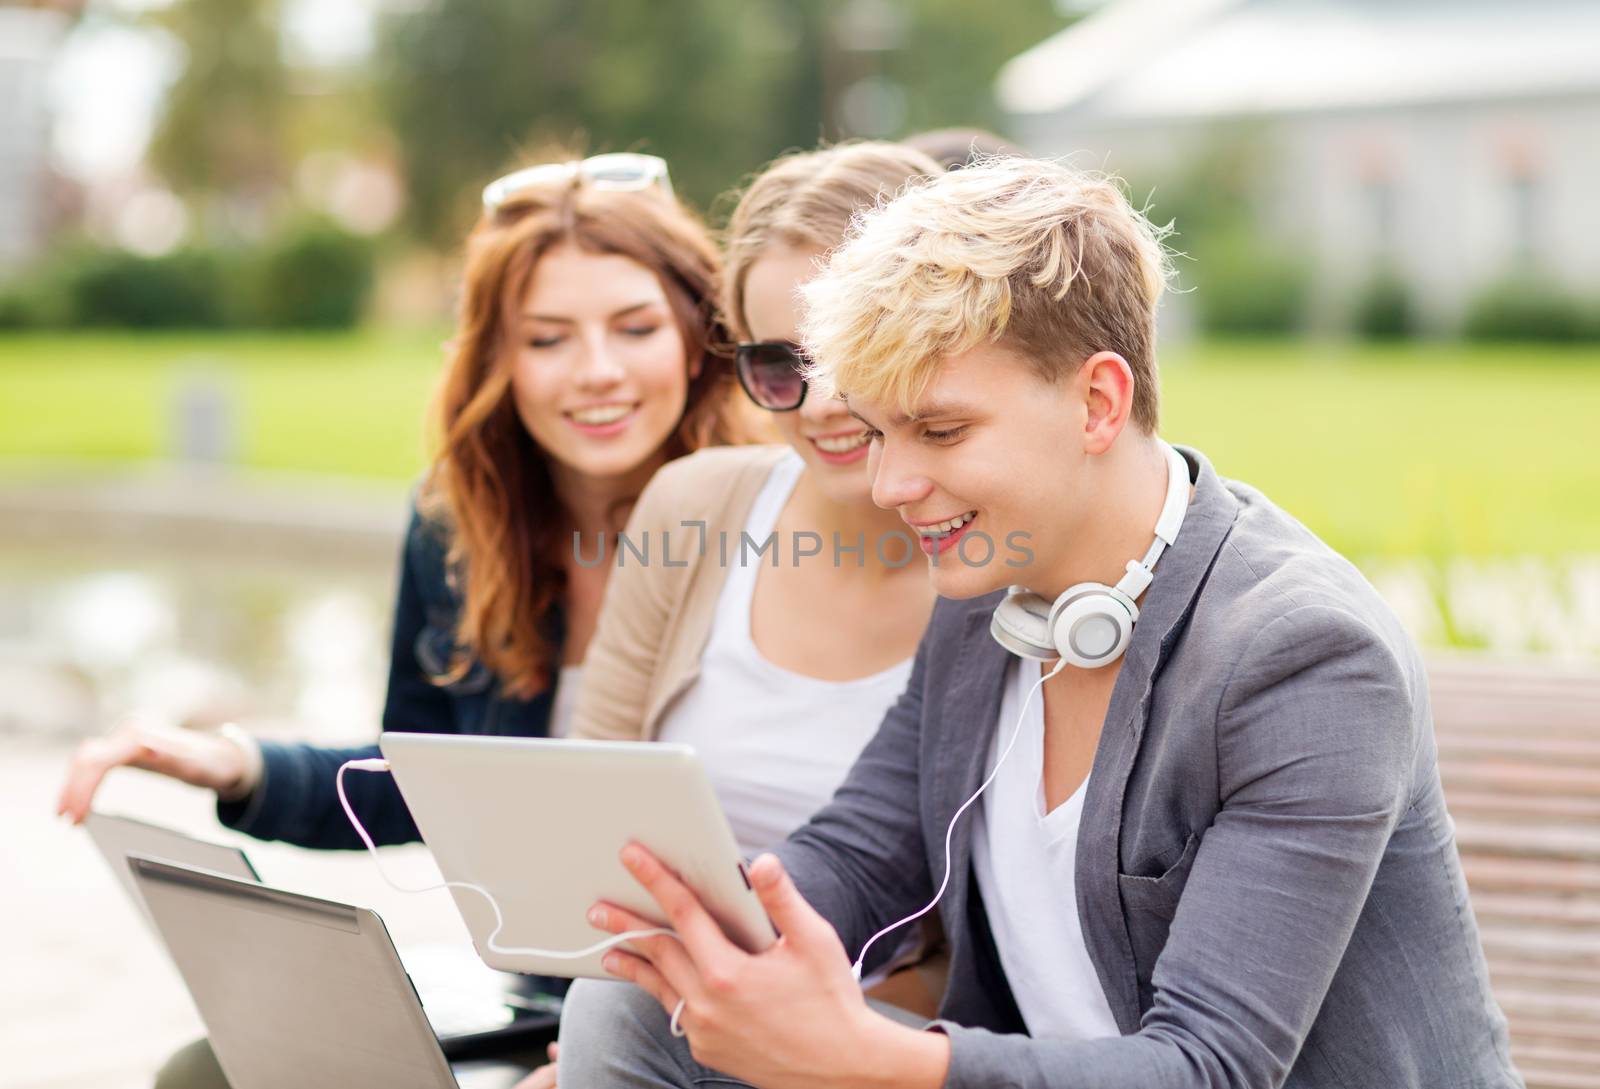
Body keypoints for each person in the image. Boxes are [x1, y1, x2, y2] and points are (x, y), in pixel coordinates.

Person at [557, 156, 1524, 1088]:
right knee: (631, 1007)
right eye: (881, 431)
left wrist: (867, 1056)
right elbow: (859, 855)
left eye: (939, 431)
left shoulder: (1303, 656)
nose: (892, 484)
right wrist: (700, 928)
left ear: (1097, 402)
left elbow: (1212, 1067)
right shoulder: (989, 591)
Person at [54, 152, 753, 1085]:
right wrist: (239, 762)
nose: (596, 372)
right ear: (496, 359)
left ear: (697, 338)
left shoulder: (773, 526)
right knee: (209, 1067)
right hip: (538, 996)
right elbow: (420, 777)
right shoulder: (457, 531)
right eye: (546, 339)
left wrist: (611, 1049)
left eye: (634, 329)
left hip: (710, 1006)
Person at [514, 141, 944, 1089]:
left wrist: (745, 1030)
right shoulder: (693, 508)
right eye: (778, 363)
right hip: (646, 1015)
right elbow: (586, 832)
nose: (820, 403)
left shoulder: (992, 562)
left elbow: (986, 964)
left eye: (850, 351)